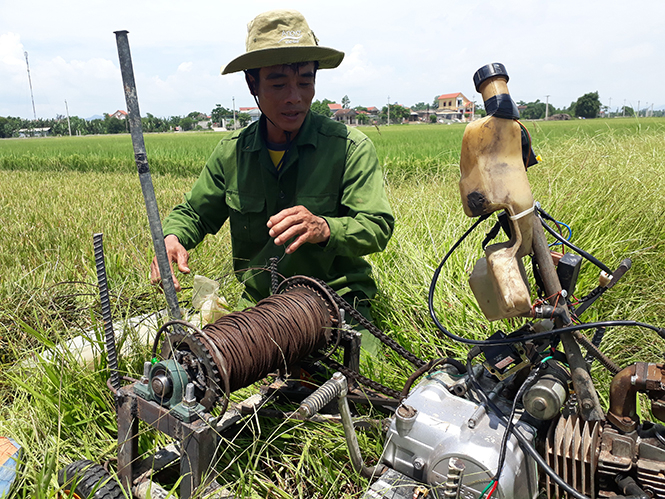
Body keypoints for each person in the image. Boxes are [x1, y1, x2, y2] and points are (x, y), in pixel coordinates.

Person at [150, 9, 394, 354]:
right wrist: (172, 239)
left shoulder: (348, 148)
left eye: (305, 82)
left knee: (364, 389)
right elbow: (195, 212)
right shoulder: (232, 153)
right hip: (261, 310)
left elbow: (377, 226)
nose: (294, 96)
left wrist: (324, 227)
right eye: (278, 84)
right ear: (252, 84)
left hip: (337, 306)